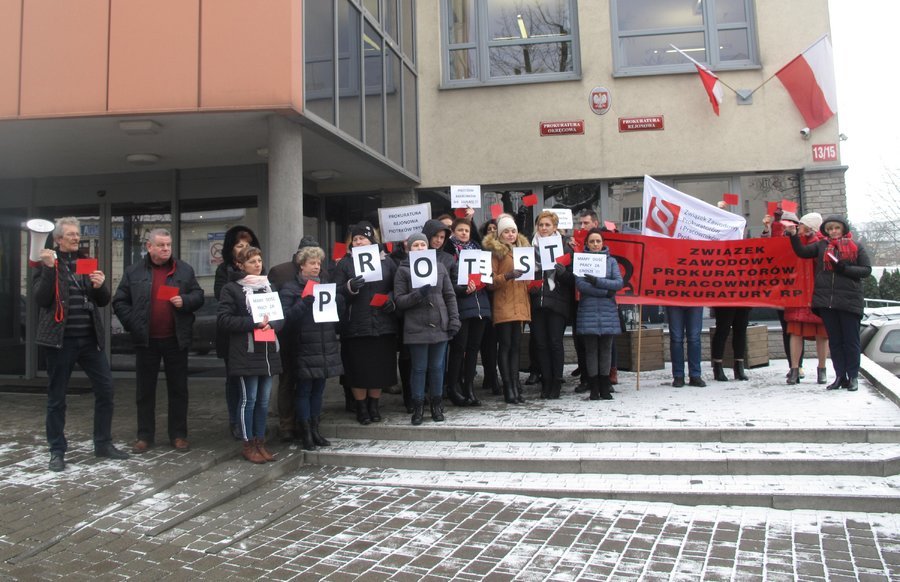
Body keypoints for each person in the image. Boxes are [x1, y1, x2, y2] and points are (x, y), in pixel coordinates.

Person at [33, 217, 129, 471]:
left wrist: (100, 286)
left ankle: (103, 443)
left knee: (106, 389)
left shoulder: (85, 262)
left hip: (89, 340)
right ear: (58, 239)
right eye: (71, 234)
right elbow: (41, 299)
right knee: (57, 398)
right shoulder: (45, 262)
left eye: (77, 234)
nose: (76, 238)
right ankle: (57, 450)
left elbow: (102, 300)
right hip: (59, 341)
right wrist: (48, 268)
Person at [112, 228, 204, 453]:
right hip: (146, 340)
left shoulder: (183, 269)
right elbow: (120, 301)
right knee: (145, 390)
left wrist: (185, 300)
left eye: (168, 245)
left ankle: (178, 435)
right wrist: (133, 323)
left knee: (178, 389)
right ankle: (144, 436)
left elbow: (199, 295)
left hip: (175, 339)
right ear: (149, 247)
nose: (166, 249)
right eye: (161, 245)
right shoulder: (134, 272)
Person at [217, 246, 283, 463]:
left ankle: (260, 441)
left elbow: (280, 319)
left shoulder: (267, 286)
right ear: (241, 265)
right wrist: (253, 323)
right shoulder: (232, 289)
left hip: (267, 351)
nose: (257, 264)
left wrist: (272, 323)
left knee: (263, 401)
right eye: (252, 261)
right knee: (249, 399)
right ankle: (247, 443)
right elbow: (225, 320)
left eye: (259, 260)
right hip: (246, 351)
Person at [790, 215, 871, 391]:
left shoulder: (856, 246)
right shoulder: (821, 246)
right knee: (835, 341)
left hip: (849, 302)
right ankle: (840, 376)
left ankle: (853, 376)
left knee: (851, 341)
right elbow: (802, 252)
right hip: (827, 301)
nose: (833, 231)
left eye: (836, 228)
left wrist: (845, 269)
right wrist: (793, 236)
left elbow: (866, 270)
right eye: (830, 229)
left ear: (843, 229)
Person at [334, 222, 399, 424]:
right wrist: (349, 287)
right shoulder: (344, 263)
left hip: (382, 325)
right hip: (355, 326)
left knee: (378, 368)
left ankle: (374, 405)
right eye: (356, 239)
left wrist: (390, 299)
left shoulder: (388, 262)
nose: (359, 241)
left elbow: (398, 286)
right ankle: (361, 407)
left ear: (372, 240)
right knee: (358, 370)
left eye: (363, 237)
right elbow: (335, 293)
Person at [280, 246, 343, 450]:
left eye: (318, 263)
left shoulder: (325, 285)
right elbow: (285, 319)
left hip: (324, 345)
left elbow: (336, 313)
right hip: (304, 346)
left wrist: (340, 299)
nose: (317, 267)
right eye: (312, 263)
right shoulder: (290, 288)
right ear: (302, 265)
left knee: (318, 391)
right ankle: (305, 431)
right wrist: (304, 302)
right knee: (304, 390)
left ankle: (315, 430)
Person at [394, 232, 461, 424]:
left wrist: (454, 320)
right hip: (416, 326)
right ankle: (418, 408)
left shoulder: (439, 267)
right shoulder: (403, 270)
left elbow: (449, 296)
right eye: (416, 246)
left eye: (423, 245)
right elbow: (399, 300)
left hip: (439, 324)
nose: (420, 249)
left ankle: (436, 405)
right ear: (409, 249)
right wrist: (419, 293)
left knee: (437, 367)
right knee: (419, 368)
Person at [268, 235, 321, 442]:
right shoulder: (280, 272)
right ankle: (287, 425)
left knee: (309, 383)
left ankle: (306, 423)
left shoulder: (322, 272)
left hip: (313, 337)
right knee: (288, 381)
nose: (316, 263)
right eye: (311, 257)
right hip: (289, 336)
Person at [214, 225, 261, 440]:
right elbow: (222, 301)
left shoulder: (259, 271)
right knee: (234, 381)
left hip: (258, 336)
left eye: (248, 244)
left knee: (257, 385)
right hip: (234, 337)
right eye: (239, 245)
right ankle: (236, 421)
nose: (244, 248)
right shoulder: (224, 272)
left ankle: (255, 426)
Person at [483, 214, 531, 404]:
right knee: (505, 347)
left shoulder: (523, 251)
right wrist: (508, 275)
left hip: (520, 305)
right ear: (500, 234)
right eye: (506, 232)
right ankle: (508, 388)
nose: (510, 234)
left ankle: (515, 385)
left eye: (513, 231)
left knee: (516, 348)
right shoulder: (496, 253)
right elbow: (490, 282)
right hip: (503, 305)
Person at [445, 218, 491, 406]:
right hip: (462, 305)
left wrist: (488, 278)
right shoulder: (450, 252)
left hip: (480, 305)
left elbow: (487, 275)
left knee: (473, 349)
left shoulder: (478, 250)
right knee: (459, 348)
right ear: (453, 231)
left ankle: (469, 388)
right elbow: (447, 284)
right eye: (460, 230)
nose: (464, 233)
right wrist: (462, 289)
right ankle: (453, 386)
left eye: (467, 230)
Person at [529, 210, 574, 399]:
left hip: (558, 302)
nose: (544, 228)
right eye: (541, 225)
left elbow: (574, 280)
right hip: (537, 301)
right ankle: (545, 382)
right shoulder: (529, 248)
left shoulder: (565, 247)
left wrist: (562, 273)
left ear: (555, 227)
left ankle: (556, 382)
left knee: (555, 343)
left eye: (548, 225)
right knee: (540, 344)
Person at [574, 228, 624, 400]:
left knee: (606, 350)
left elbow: (618, 283)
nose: (595, 244)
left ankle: (604, 384)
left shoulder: (611, 262)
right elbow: (581, 284)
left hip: (607, 311)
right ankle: (594, 386)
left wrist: (597, 281)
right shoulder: (582, 261)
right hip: (588, 310)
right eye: (592, 241)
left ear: (603, 243)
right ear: (587, 244)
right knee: (591, 350)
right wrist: (605, 291)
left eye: (598, 241)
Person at [783, 213, 830, 385]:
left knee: (822, 334)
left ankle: (822, 369)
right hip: (799, 293)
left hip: (816, 294)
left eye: (801, 224)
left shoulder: (822, 244)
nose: (798, 227)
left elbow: (806, 254)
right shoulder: (797, 240)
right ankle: (794, 368)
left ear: (810, 227)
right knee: (795, 332)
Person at [571, 209, 601, 392]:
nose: (582, 227)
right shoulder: (575, 244)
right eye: (580, 223)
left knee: (602, 342)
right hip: (578, 300)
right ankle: (586, 378)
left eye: (585, 223)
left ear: (595, 224)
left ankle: (603, 378)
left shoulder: (601, 245)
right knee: (581, 341)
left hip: (599, 302)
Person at [666, 304, 705, 387]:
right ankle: (678, 376)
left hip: (695, 299)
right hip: (674, 300)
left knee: (694, 338)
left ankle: (695, 375)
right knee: (676, 339)